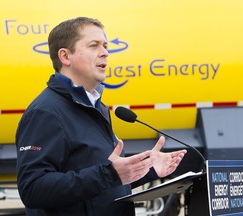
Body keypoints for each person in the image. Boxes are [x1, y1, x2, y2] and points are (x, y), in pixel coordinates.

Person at [15, 17, 187, 216]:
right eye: (94, 45)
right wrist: (110, 173)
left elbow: (104, 180)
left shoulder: (96, 107)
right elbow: (33, 189)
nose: (105, 52)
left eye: (105, 46)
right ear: (65, 56)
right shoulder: (45, 112)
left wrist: (148, 168)